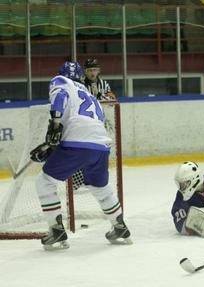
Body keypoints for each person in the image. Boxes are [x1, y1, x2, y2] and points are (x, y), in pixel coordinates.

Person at [29, 61, 131, 250]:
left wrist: (55, 124)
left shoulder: (61, 81)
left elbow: (59, 98)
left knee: (44, 182)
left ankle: (56, 230)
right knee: (100, 187)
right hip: (101, 146)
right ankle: (120, 226)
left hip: (78, 143)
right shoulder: (89, 95)